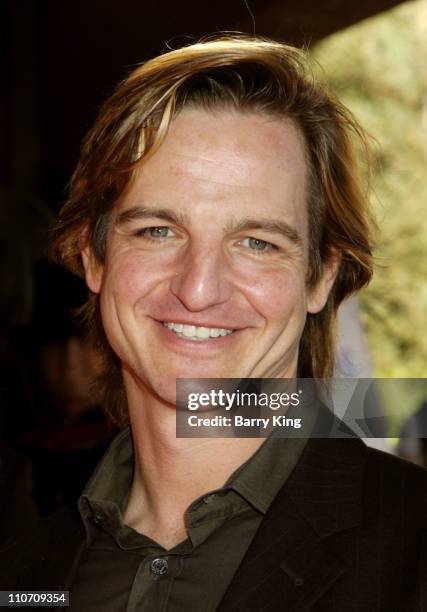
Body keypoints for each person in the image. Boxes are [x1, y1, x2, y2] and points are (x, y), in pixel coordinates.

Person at [1, 35, 426, 611]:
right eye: (158, 231)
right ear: (92, 256)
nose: (198, 290)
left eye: (256, 242)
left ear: (321, 277)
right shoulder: (25, 573)